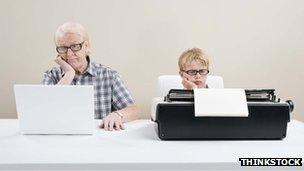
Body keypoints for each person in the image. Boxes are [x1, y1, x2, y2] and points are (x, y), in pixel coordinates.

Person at [42, 22, 139, 131]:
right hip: (60, 138)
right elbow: (44, 112)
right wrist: (69, 74)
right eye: (63, 48)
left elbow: (133, 110)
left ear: (86, 46)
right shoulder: (51, 76)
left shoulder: (108, 75)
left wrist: (118, 115)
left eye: (74, 46)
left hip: (99, 139)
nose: (69, 54)